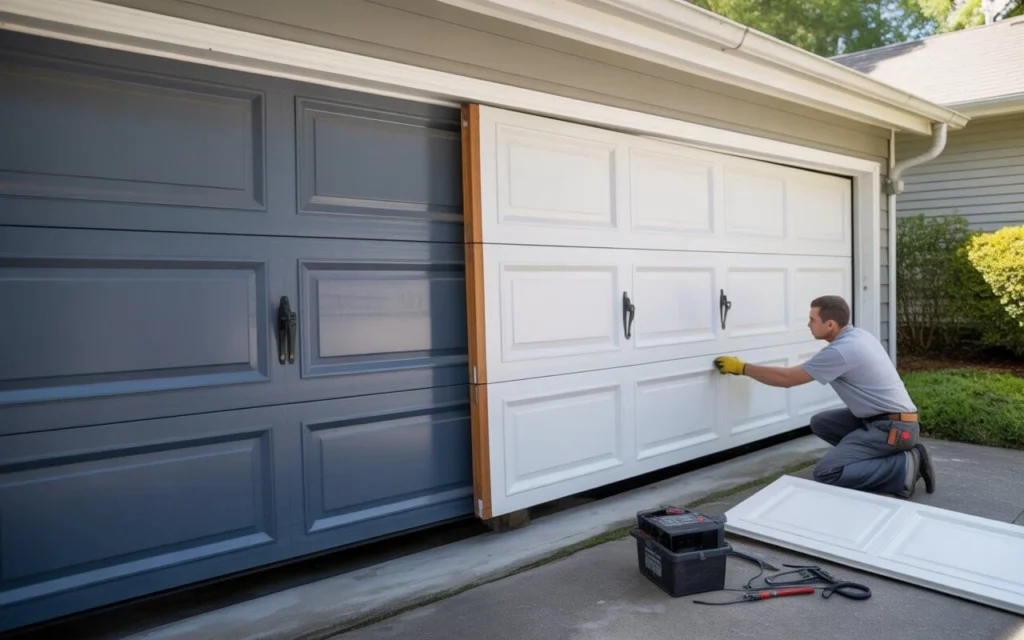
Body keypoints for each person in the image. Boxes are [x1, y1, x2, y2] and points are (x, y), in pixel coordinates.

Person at [713, 295, 935, 499]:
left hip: (893, 429)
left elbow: (787, 378)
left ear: (830, 325)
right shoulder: (858, 335)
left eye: (812, 320)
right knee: (822, 423)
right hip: (890, 423)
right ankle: (878, 458)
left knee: (828, 472)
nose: (808, 324)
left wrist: (742, 368)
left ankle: (903, 466)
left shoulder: (842, 350)